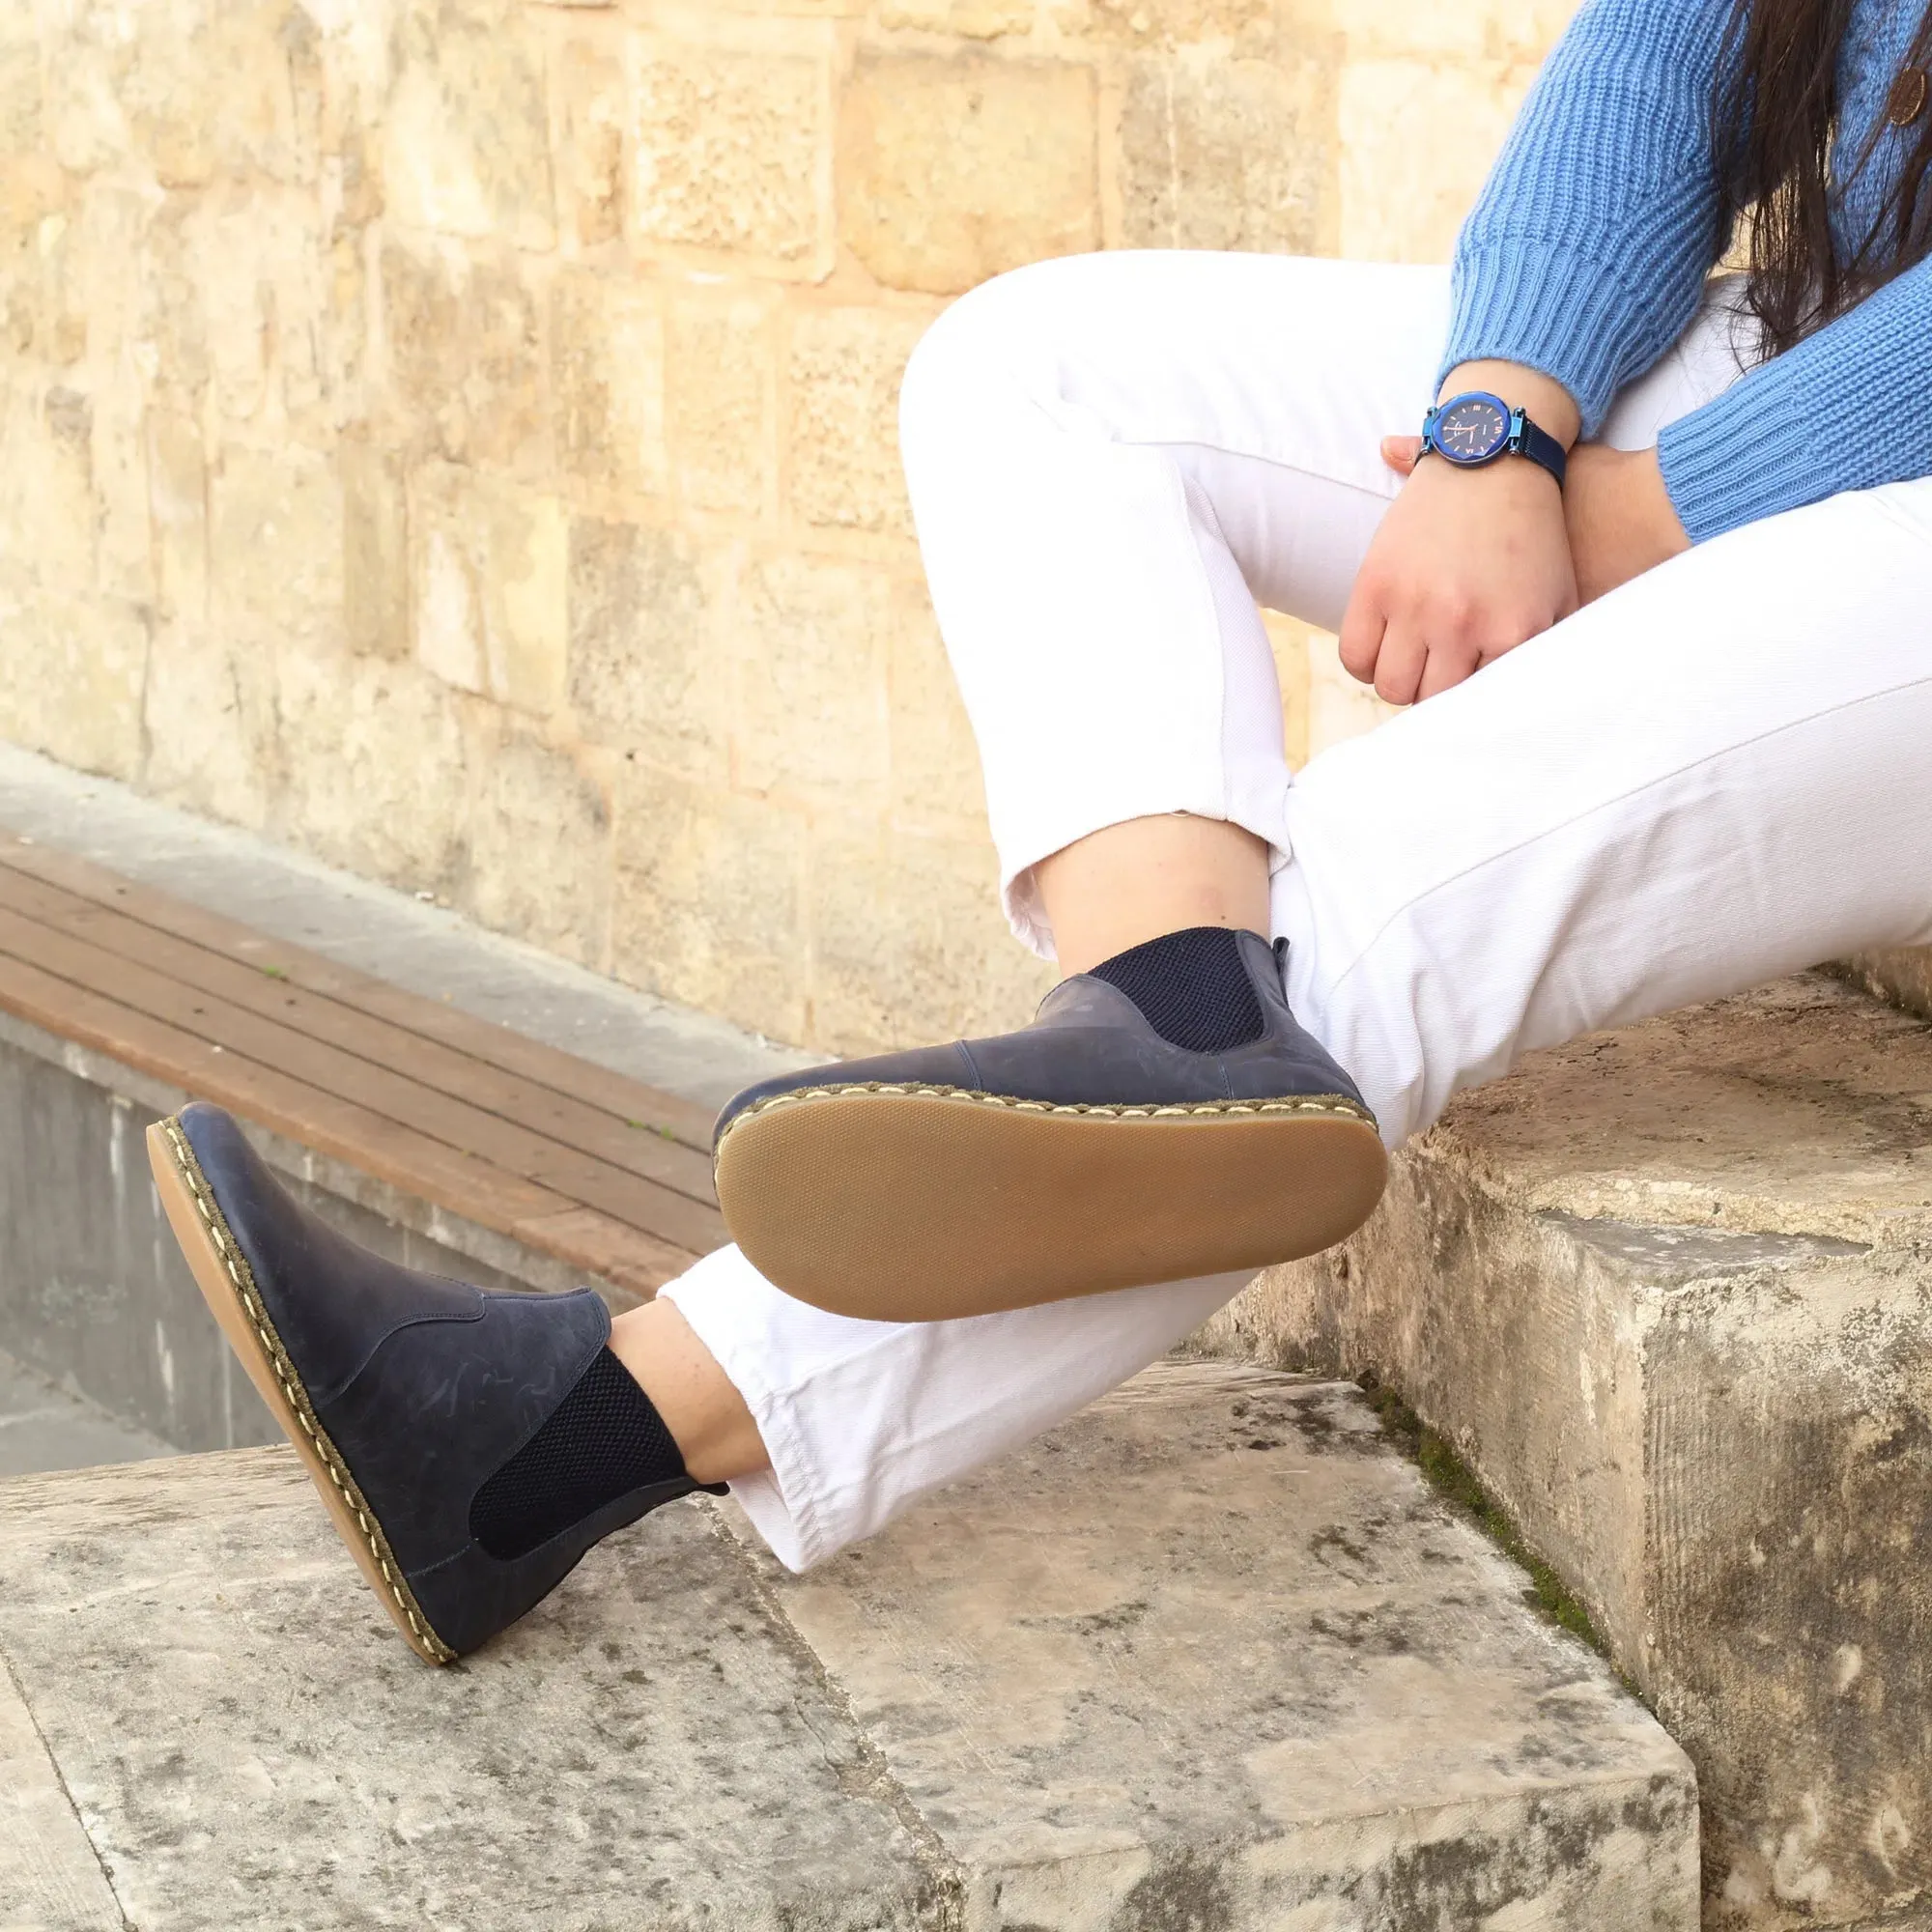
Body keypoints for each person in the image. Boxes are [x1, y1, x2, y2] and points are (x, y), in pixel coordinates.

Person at [152, 0, 1932, 1663]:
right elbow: (1656, 64)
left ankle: (570, 1434)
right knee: (1035, 368)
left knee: (1396, 885)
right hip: (1836, 349)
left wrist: (1630, 517)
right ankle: (1185, 1014)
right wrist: (1493, 439)